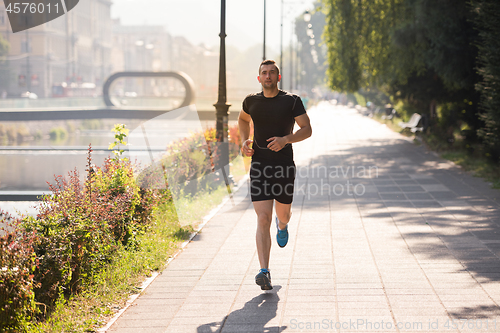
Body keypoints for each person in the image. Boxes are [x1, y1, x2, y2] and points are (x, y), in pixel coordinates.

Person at [238, 59, 312, 290]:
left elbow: (307, 129)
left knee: (284, 215)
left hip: (283, 167)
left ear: (278, 77)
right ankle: (264, 271)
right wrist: (243, 141)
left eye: (272, 73)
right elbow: (242, 119)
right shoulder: (251, 101)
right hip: (259, 166)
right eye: (264, 73)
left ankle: (283, 226)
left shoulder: (291, 101)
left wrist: (286, 139)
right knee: (262, 219)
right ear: (259, 78)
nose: (268, 76)